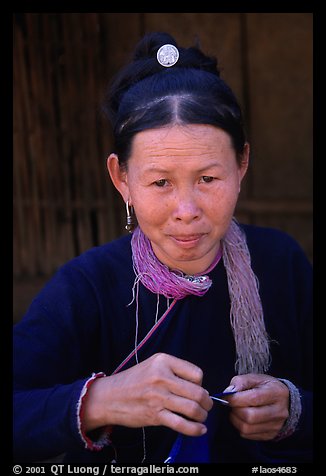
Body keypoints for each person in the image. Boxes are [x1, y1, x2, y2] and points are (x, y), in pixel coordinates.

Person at [13, 31, 312, 464]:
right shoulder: (87, 287)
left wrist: (295, 406)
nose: (186, 210)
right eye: (160, 182)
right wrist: (100, 400)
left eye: (208, 179)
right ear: (122, 180)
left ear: (242, 164)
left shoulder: (281, 264)